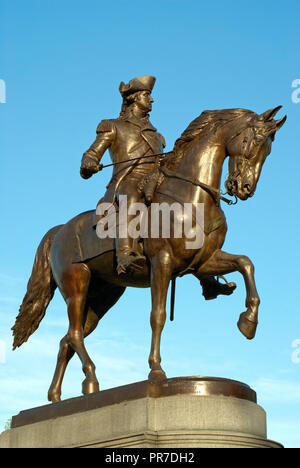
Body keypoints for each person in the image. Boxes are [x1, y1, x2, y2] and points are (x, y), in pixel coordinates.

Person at [80, 75, 165, 274]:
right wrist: (89, 163)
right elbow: (91, 154)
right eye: (147, 95)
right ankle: (125, 254)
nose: (151, 100)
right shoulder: (113, 125)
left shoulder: (157, 136)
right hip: (128, 180)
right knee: (131, 195)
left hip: (155, 181)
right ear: (134, 98)